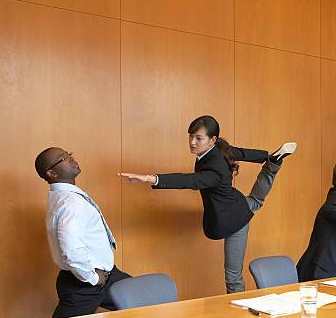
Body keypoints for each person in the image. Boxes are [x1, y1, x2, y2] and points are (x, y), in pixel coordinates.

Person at [119, 115, 296, 293]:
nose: (192, 142)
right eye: (191, 136)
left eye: (198, 138)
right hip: (235, 202)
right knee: (255, 201)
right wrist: (266, 156)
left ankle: (240, 315)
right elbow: (241, 153)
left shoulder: (215, 169)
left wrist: (151, 178)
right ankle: (274, 161)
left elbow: (188, 180)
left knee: (233, 276)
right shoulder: (218, 148)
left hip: (235, 220)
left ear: (212, 140)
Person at [35, 147, 131, 318]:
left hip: (105, 275)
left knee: (146, 303)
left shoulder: (66, 196)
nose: (71, 158)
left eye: (69, 154)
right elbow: (71, 250)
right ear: (51, 173)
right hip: (85, 282)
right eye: (63, 158)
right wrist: (93, 278)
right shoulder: (70, 203)